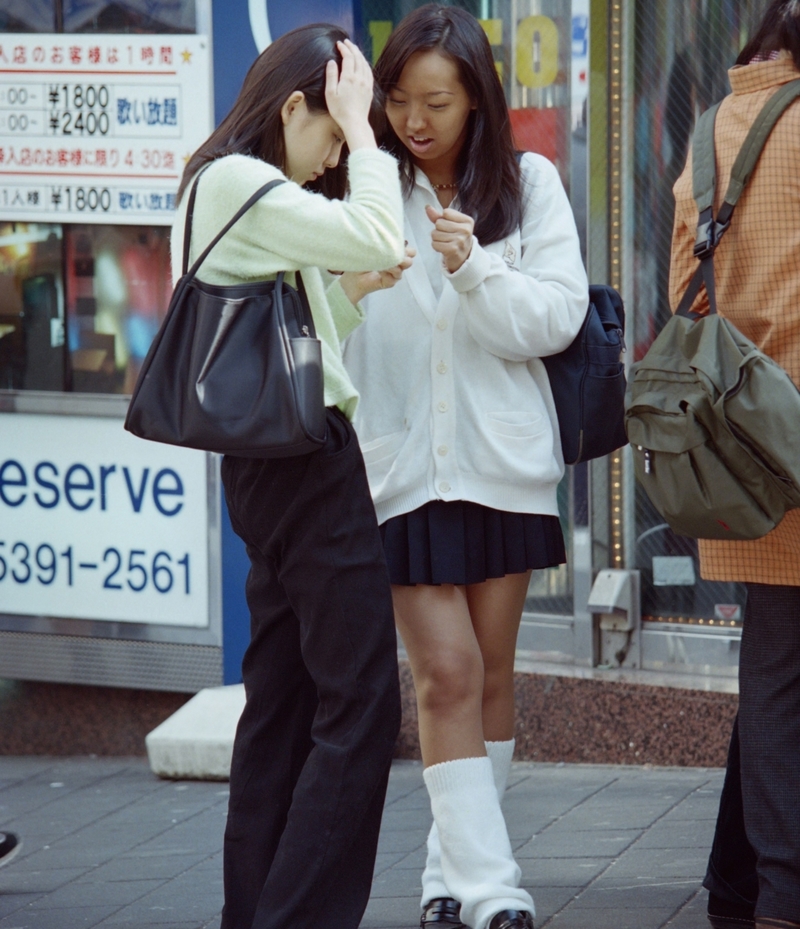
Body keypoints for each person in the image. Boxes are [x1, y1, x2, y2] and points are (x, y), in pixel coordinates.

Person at [342, 7, 588, 929]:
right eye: (399, 98)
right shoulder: (367, 188)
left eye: (436, 100)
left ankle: (446, 877)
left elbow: (558, 318)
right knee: (443, 672)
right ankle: (495, 892)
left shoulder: (529, 185)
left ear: (477, 98)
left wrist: (475, 269)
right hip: (400, 469)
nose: (415, 119)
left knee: (487, 673)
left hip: (500, 465)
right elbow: (338, 314)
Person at [173, 25, 410, 929]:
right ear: (295, 107)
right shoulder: (243, 182)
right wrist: (367, 131)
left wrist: (356, 291)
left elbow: (292, 343)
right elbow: (376, 221)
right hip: (308, 468)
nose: (330, 158)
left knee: (285, 700)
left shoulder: (223, 186)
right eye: (327, 130)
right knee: (360, 702)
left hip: (270, 465)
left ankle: (255, 911)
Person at [668, 3, 800, 928]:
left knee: (775, 669)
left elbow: (685, 286)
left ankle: (762, 891)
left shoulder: (715, 129)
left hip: (746, 443)